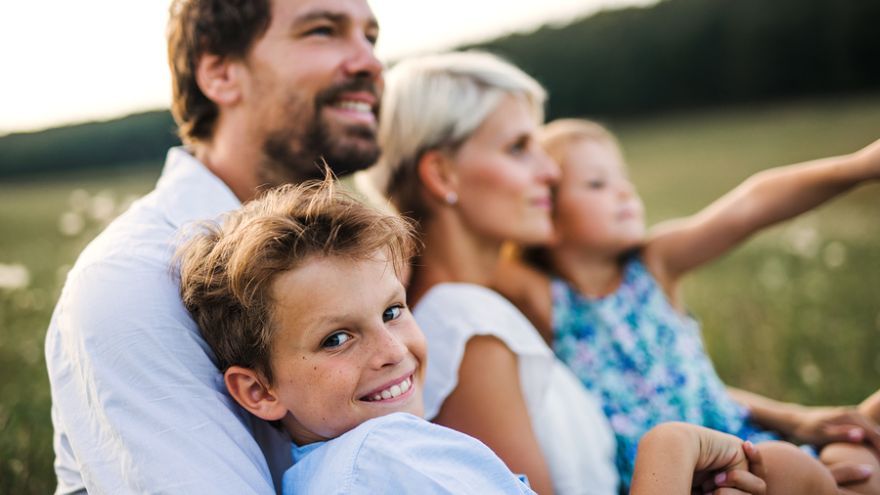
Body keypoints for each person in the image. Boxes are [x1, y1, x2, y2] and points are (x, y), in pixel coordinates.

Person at [177, 179, 769, 495]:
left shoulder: (325, 475)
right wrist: (666, 452)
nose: (390, 351)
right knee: (790, 473)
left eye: (391, 312)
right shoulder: (392, 459)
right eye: (336, 339)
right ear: (258, 392)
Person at [365, 50, 763, 495]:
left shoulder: (492, 307)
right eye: (518, 148)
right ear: (442, 174)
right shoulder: (464, 329)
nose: (550, 171)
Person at [44, 0, 383, 492]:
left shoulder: (356, 254)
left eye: (370, 37)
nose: (369, 61)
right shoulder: (137, 281)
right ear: (221, 73)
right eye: (323, 31)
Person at [493, 118, 880, 493]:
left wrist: (858, 166)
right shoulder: (543, 296)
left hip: (745, 444)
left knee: (858, 437)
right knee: (797, 466)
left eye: (622, 178)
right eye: (597, 183)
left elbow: (748, 207)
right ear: (545, 208)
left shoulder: (653, 264)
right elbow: (463, 246)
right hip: (686, 481)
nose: (625, 191)